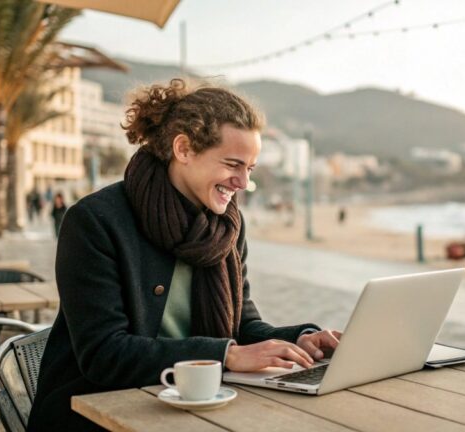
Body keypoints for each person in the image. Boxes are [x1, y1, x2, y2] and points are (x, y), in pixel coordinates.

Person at [28, 79, 341, 431]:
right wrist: (226, 355)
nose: (243, 183)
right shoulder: (95, 221)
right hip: (94, 411)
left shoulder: (226, 229)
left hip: (193, 404)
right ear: (184, 149)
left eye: (249, 169)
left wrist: (300, 340)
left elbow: (244, 327)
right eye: (232, 164)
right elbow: (104, 355)